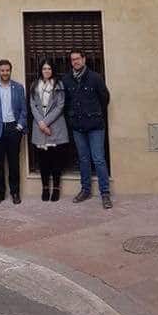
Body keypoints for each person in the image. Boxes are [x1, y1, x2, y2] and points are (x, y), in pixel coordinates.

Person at [63, 49, 112, 208]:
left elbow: (105, 98)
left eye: (77, 59)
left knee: (98, 159)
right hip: (77, 126)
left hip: (95, 126)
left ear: (84, 59)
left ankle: (105, 193)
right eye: (72, 60)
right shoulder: (67, 80)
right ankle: (85, 190)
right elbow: (66, 102)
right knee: (83, 159)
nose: (75, 62)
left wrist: (95, 114)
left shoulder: (95, 78)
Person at [0, 59, 27, 205]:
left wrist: (20, 126)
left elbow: (23, 110)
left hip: (13, 129)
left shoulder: (18, 87)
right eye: (2, 70)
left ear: (10, 70)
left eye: (7, 70)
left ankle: (15, 193)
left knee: (14, 163)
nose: (5, 73)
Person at [29, 58, 68, 202]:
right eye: (44, 68)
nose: (47, 71)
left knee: (56, 160)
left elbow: (60, 106)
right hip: (39, 127)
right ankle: (45, 188)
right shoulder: (34, 85)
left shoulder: (59, 85)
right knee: (43, 161)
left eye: (49, 69)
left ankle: (56, 189)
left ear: (53, 70)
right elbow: (32, 105)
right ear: (41, 70)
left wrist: (45, 122)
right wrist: (41, 123)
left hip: (55, 126)